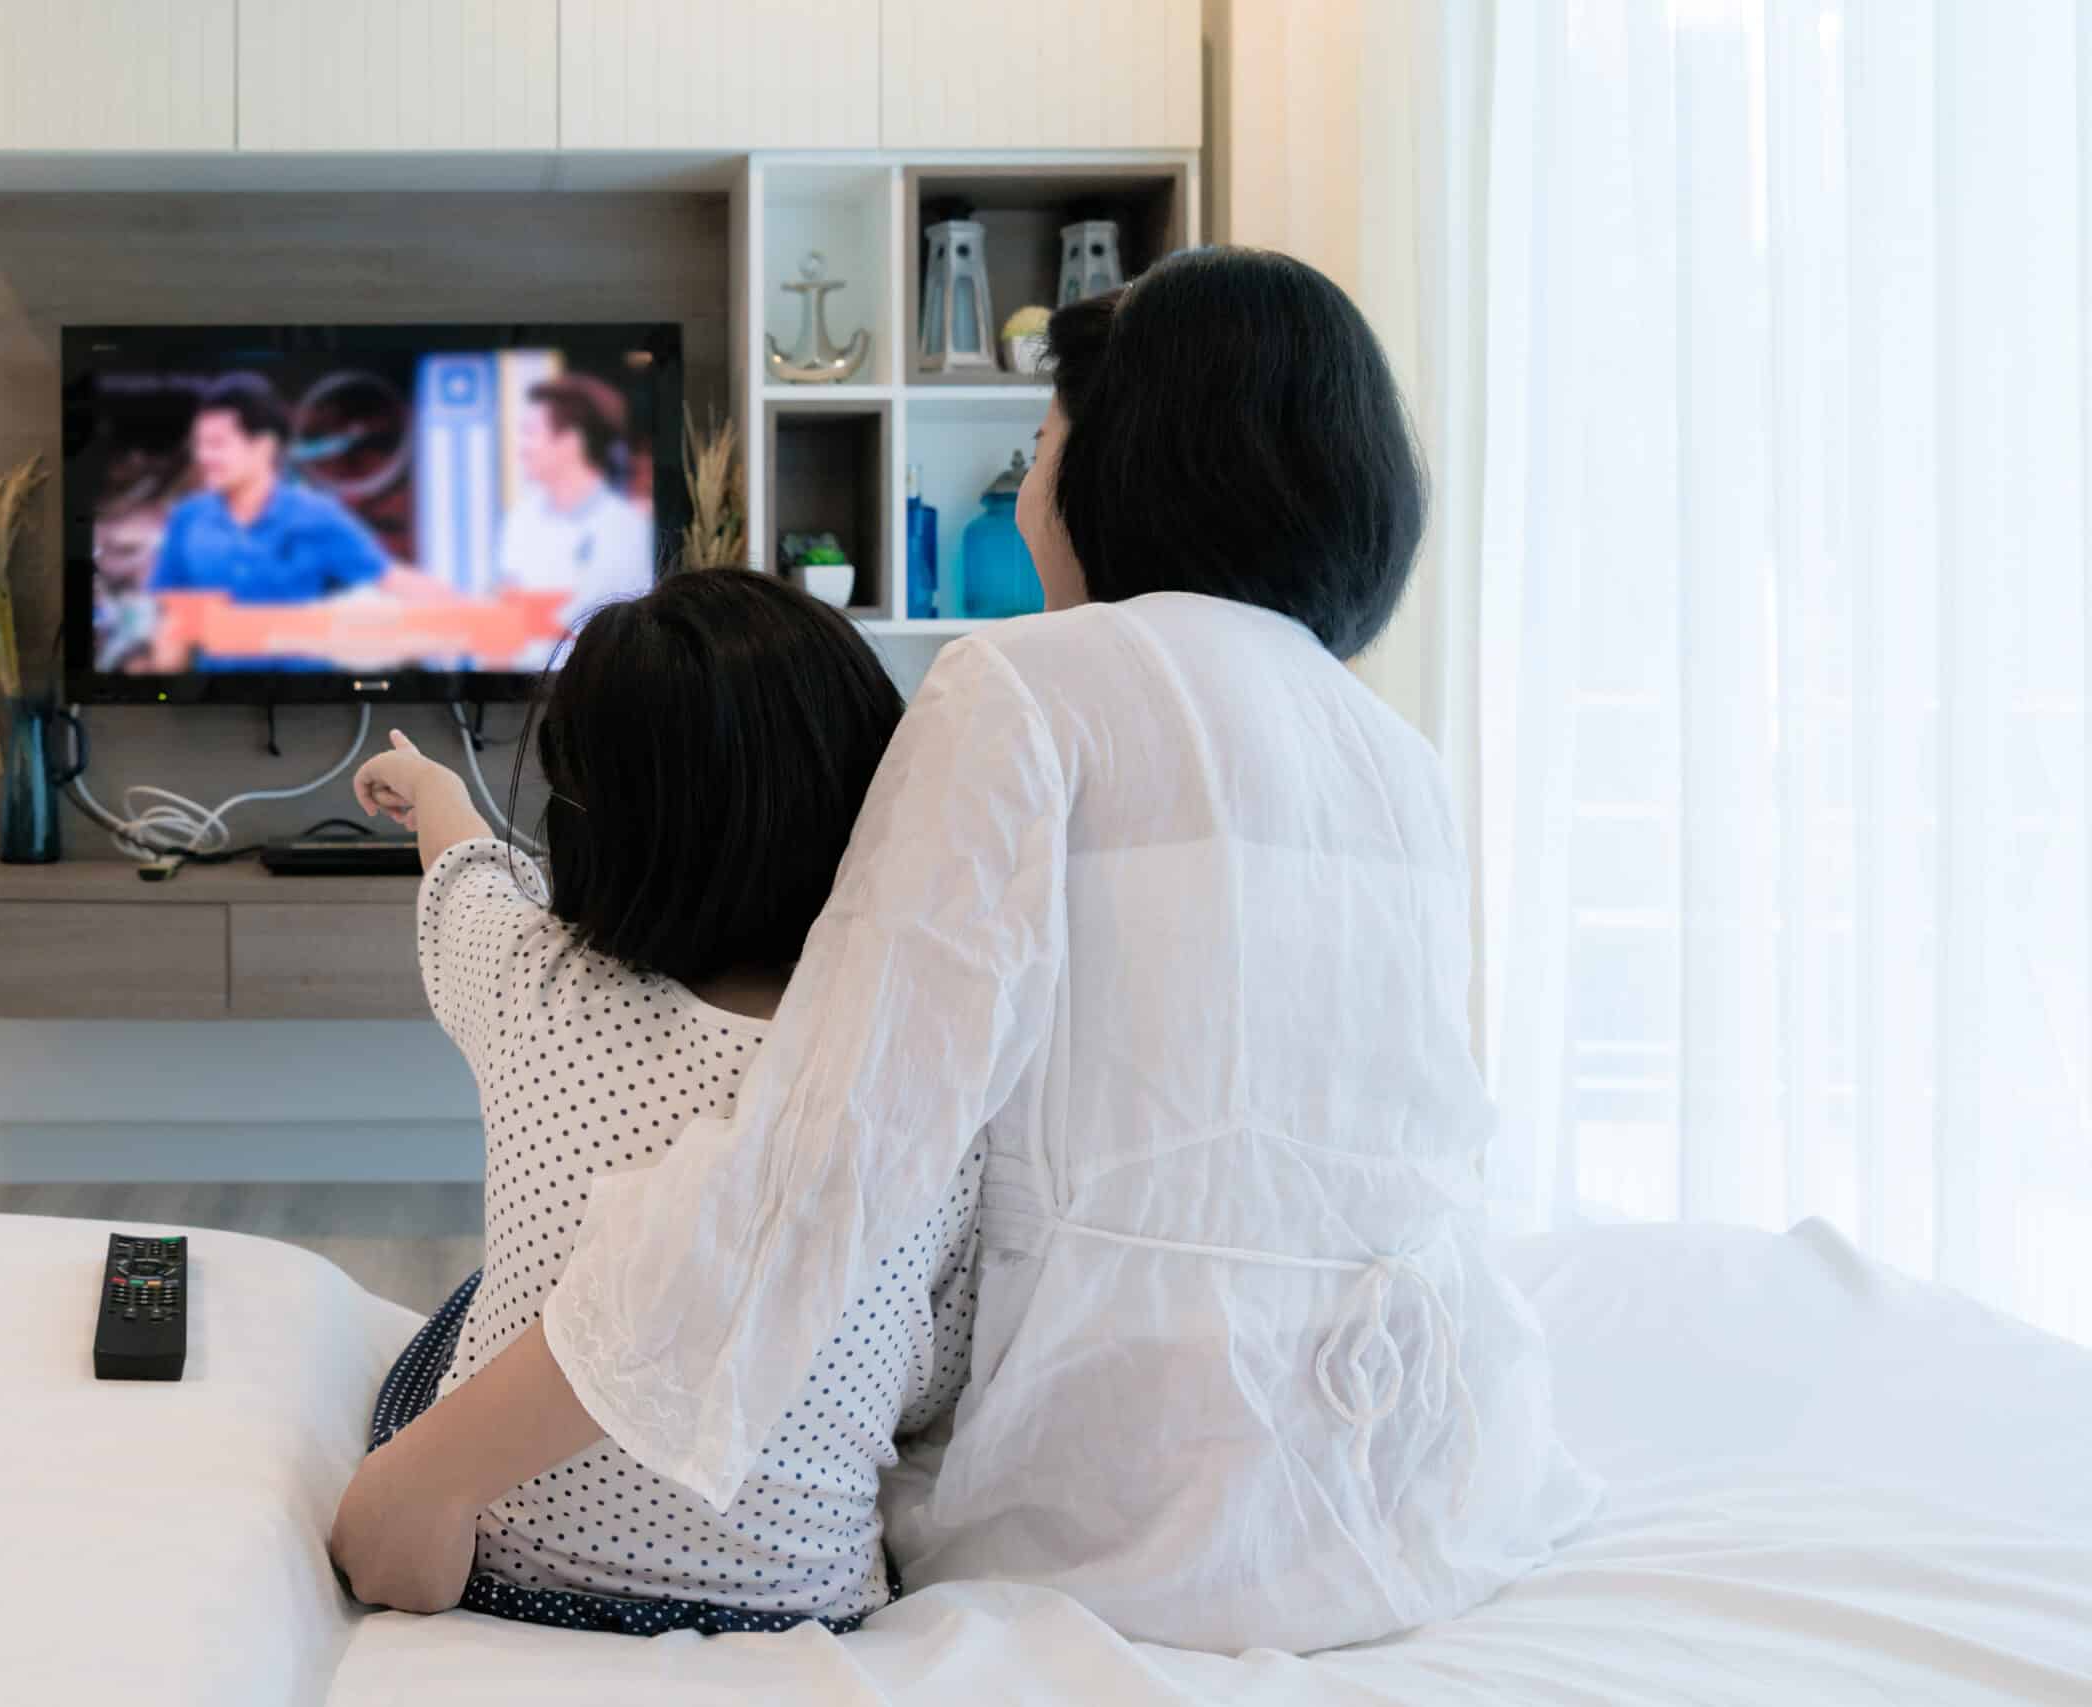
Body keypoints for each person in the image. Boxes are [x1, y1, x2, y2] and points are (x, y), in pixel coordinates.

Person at [330, 247, 1600, 1655]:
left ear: (1130, 457)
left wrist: (433, 1469)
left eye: (1040, 437)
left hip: (1128, 1527)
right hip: (1405, 1492)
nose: (1028, 480)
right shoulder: (1392, 753)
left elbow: (828, 1147)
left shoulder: (1026, 687)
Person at [333, 571, 983, 1635]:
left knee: (469, 1307)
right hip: (798, 1608)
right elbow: (933, 1373)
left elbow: (465, 877)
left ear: (594, 822)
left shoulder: (532, 983)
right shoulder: (929, 1075)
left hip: (512, 1570)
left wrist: (434, 790)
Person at [148, 372, 390, 670]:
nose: (202, 456)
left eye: (216, 444)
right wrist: (160, 697)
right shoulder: (188, 519)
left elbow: (388, 582)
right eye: (199, 444)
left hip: (313, 705)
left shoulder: (318, 516)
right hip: (214, 705)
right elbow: (174, 623)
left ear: (262, 445)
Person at [495, 376, 655, 630]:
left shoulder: (631, 528)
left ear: (571, 441)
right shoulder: (520, 519)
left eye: (530, 432)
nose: (521, 448)